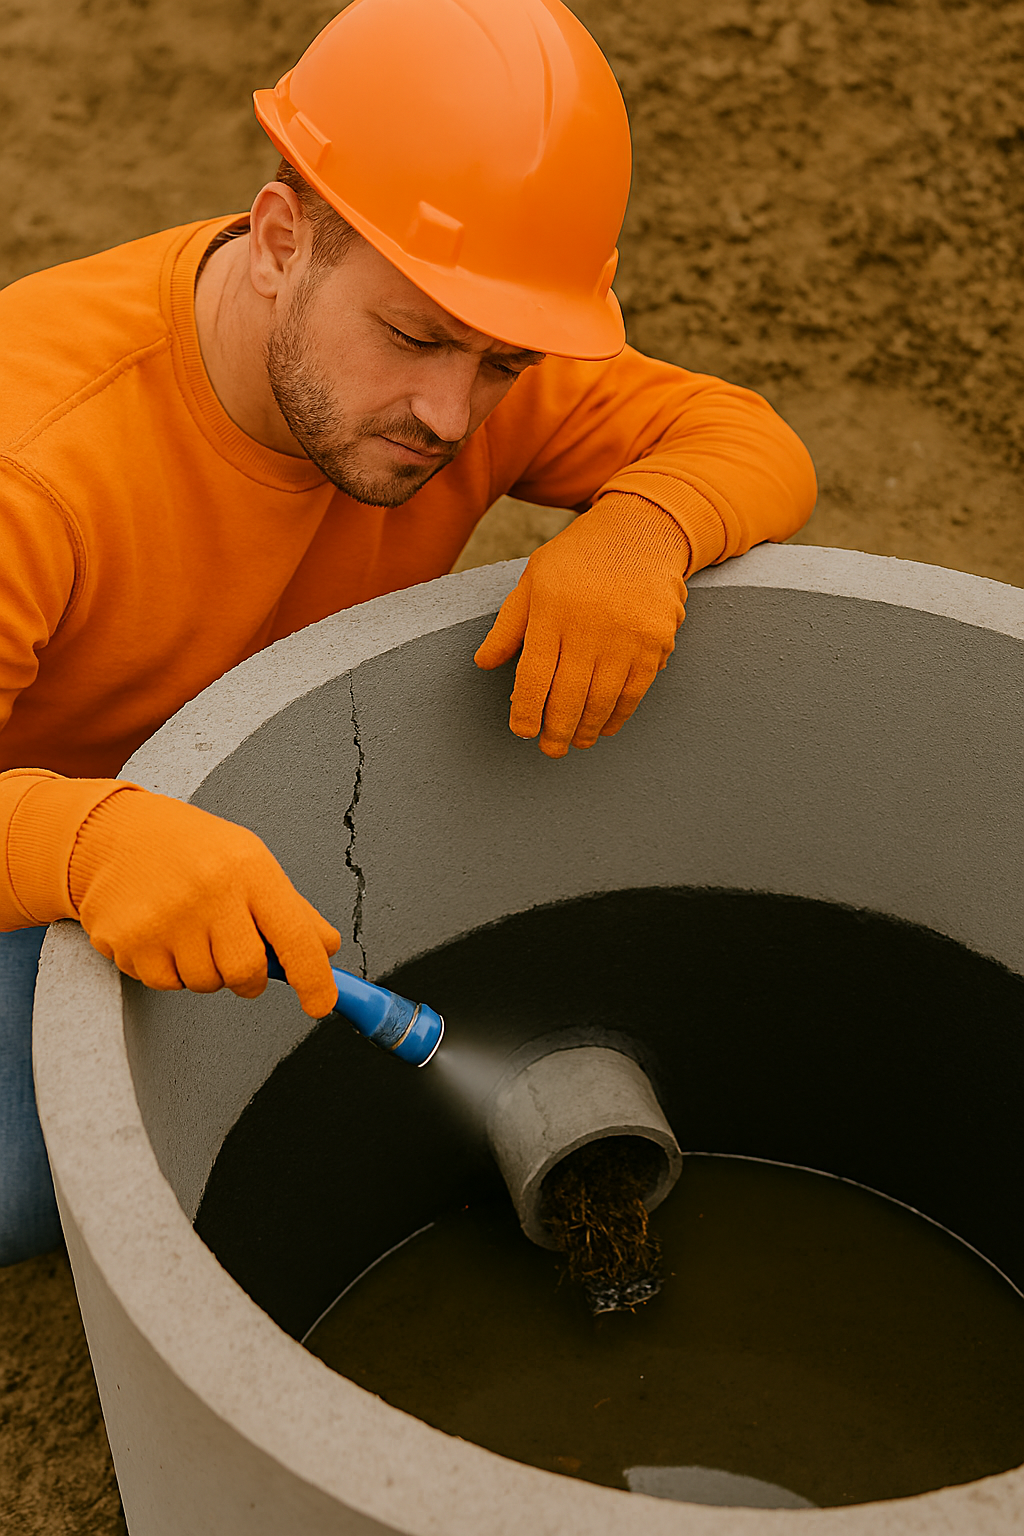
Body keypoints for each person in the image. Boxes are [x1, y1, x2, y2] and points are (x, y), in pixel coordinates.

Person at [0, 0, 817, 1264]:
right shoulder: (36, 463)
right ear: (280, 239)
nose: (451, 413)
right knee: (37, 1173)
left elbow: (748, 440)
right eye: (415, 337)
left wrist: (644, 528)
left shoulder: (473, 358)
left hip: (244, 830)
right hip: (48, 870)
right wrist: (87, 840)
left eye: (502, 363)